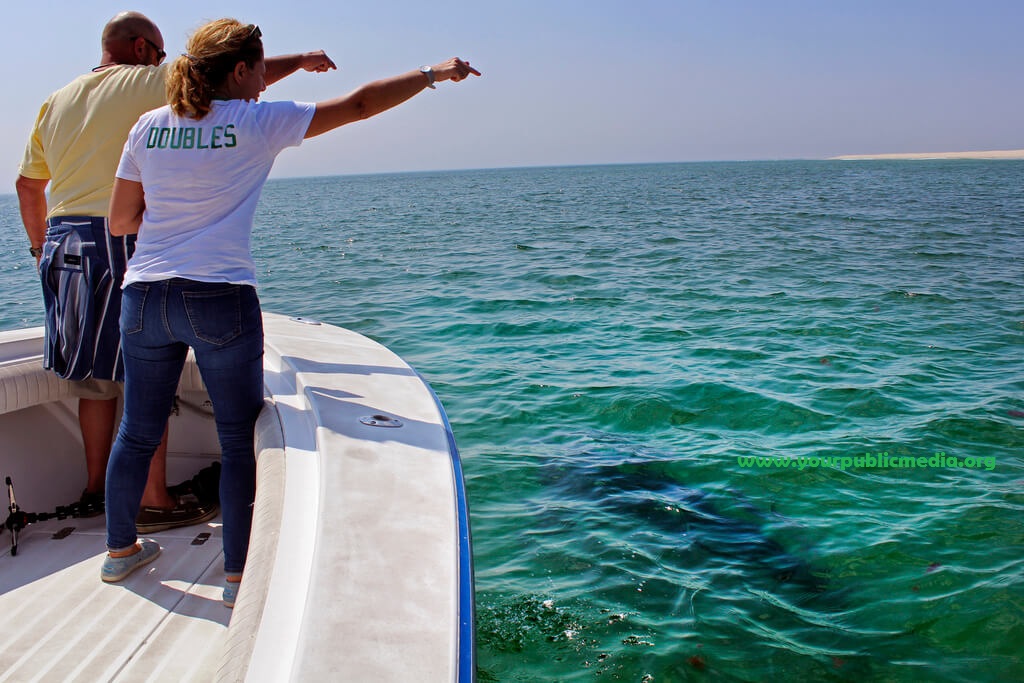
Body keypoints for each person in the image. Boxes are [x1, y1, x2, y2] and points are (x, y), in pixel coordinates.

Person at [103, 17, 479, 605]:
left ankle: (120, 552)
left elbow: (121, 222)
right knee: (235, 438)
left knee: (138, 428)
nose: (263, 82)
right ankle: (235, 577)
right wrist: (432, 73)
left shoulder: (148, 126)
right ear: (241, 70)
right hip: (219, 296)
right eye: (259, 69)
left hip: (144, 294)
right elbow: (356, 105)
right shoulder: (257, 123)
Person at [15, 12, 336, 531]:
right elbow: (216, 78)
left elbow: (28, 186)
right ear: (143, 50)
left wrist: (39, 250)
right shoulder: (148, 82)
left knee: (95, 382)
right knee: (146, 382)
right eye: (163, 55)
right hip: (118, 236)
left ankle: (99, 490)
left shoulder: (58, 99)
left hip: (61, 242)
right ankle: (152, 498)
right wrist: (298, 62)